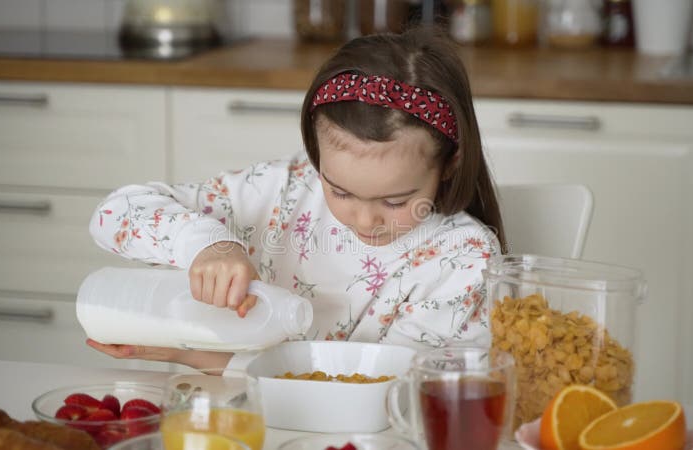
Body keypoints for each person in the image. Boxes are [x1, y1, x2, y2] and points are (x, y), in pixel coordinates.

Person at [86, 27, 505, 371]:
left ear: (450, 163)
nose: (363, 220)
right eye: (339, 190)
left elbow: (383, 391)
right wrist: (207, 244)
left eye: (394, 201)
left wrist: (195, 357)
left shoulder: (462, 258)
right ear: (315, 153)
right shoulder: (283, 190)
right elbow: (112, 215)